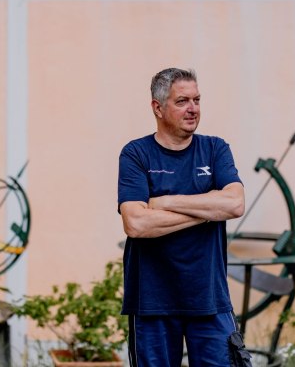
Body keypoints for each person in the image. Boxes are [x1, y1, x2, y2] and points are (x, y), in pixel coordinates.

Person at [117, 67, 246, 366]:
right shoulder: (136, 154)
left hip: (210, 299)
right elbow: (136, 223)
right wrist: (208, 209)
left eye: (197, 100)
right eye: (182, 101)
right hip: (152, 302)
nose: (193, 109)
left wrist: (166, 202)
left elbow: (235, 204)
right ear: (157, 107)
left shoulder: (215, 149)